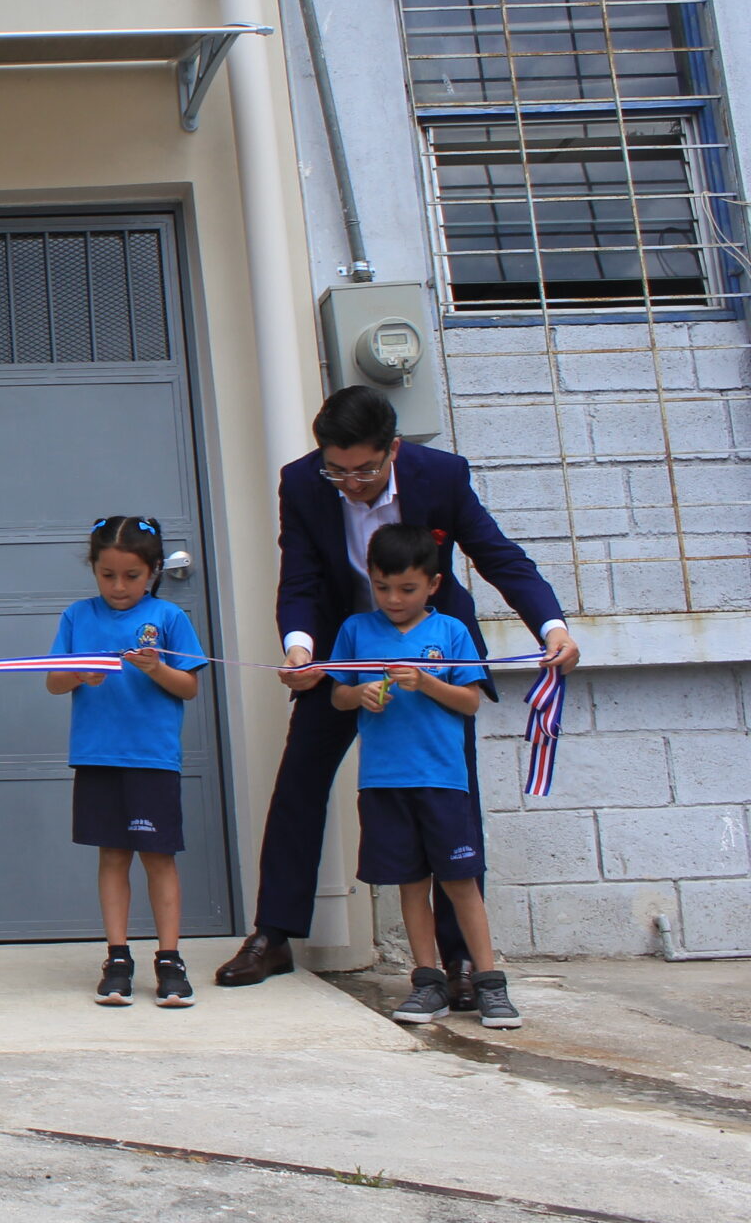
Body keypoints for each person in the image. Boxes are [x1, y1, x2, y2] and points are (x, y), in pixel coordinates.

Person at [220, 387, 577, 1004]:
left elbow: (498, 557)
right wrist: (302, 650)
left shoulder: (439, 475)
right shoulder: (304, 483)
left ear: (394, 448)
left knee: (451, 802)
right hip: (347, 648)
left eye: (364, 469)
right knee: (300, 783)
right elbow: (299, 576)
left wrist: (552, 628)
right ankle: (273, 935)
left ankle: (462, 962)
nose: (350, 482)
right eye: (338, 469)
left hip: (434, 654)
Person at [327, 522, 519, 1028]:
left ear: (432, 584)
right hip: (383, 782)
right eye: (383, 586)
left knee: (459, 883)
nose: (394, 598)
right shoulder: (356, 631)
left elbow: (470, 701)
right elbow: (338, 694)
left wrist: (428, 682)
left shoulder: (451, 632)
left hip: (442, 781)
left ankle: (490, 983)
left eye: (407, 588)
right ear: (370, 578)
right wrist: (359, 694)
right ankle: (427, 981)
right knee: (410, 884)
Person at [46, 517, 209, 1009]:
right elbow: (52, 681)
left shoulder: (170, 618)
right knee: (112, 856)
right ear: (94, 569)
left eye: (131, 576)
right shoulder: (77, 615)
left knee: (159, 858)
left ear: (154, 571)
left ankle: (170, 960)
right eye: (108, 575)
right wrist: (79, 674)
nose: (119, 586)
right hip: (97, 756)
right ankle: (117, 957)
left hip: (152, 759)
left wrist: (158, 667)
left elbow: (190, 686)